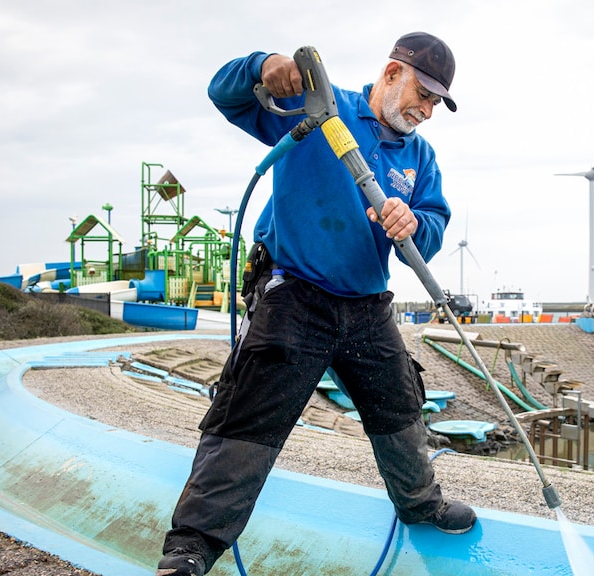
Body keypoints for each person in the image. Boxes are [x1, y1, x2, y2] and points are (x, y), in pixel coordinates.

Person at [156, 32, 475, 576]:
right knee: (249, 416)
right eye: (423, 95)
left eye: (436, 103)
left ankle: (420, 504)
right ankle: (192, 546)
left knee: (399, 407)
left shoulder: (420, 156)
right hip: (295, 293)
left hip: (368, 305)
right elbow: (223, 93)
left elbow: (433, 226)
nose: (426, 111)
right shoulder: (319, 107)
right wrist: (262, 66)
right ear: (392, 73)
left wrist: (414, 223)